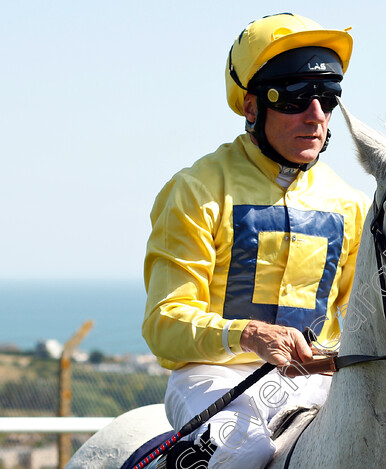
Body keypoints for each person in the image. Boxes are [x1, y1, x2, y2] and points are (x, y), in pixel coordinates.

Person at [142, 13, 369, 469]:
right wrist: (249, 335)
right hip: (212, 378)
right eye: (297, 99)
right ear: (251, 107)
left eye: (327, 99)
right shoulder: (197, 190)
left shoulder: (351, 203)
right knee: (243, 448)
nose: (316, 116)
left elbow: (365, 318)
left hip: (316, 381)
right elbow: (164, 325)